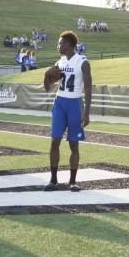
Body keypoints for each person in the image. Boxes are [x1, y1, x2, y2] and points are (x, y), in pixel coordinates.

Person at [45, 31, 91, 191]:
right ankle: (53, 180)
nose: (58, 46)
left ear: (68, 44)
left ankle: (72, 181)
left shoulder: (83, 62)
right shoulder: (60, 61)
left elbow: (88, 87)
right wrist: (46, 75)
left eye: (60, 43)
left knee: (73, 144)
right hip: (59, 102)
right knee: (54, 142)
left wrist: (86, 112)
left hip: (74, 103)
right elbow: (47, 88)